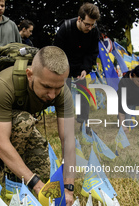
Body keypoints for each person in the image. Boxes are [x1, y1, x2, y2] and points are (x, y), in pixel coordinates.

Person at [0, 46, 76, 206]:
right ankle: (10, 177)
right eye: (46, 87)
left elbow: (68, 140)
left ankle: (15, 158)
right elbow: (1, 143)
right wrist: (36, 185)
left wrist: (68, 188)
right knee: (24, 122)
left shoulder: (62, 91)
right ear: (29, 75)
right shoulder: (5, 82)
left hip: (23, 122)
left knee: (43, 171)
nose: (52, 95)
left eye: (58, 88)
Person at [54, 3, 100, 135]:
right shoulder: (65, 28)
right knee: (64, 97)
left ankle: (84, 124)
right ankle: (65, 126)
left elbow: (92, 52)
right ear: (79, 19)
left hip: (81, 66)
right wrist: (63, 70)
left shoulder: (93, 31)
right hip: (65, 65)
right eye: (87, 24)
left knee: (84, 96)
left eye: (93, 24)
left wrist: (86, 68)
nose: (90, 28)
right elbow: (57, 51)